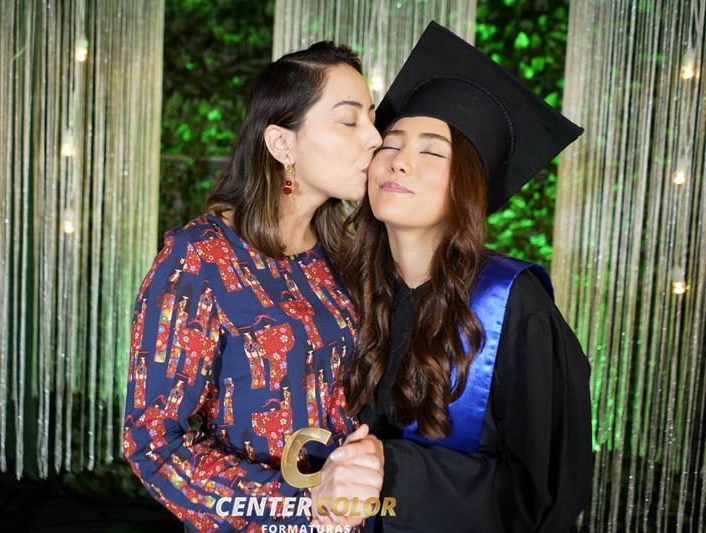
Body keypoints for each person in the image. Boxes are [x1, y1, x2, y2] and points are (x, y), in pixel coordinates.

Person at [337, 22, 594, 532]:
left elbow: (543, 497)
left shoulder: (514, 307)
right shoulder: (345, 285)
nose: (399, 162)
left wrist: (393, 472)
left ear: (468, 186)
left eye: (432, 151)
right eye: (390, 143)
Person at [122, 41, 385, 531]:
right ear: (282, 145)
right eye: (349, 121)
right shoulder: (198, 259)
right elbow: (153, 442)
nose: (374, 137)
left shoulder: (344, 256)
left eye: (371, 118)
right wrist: (301, 503)